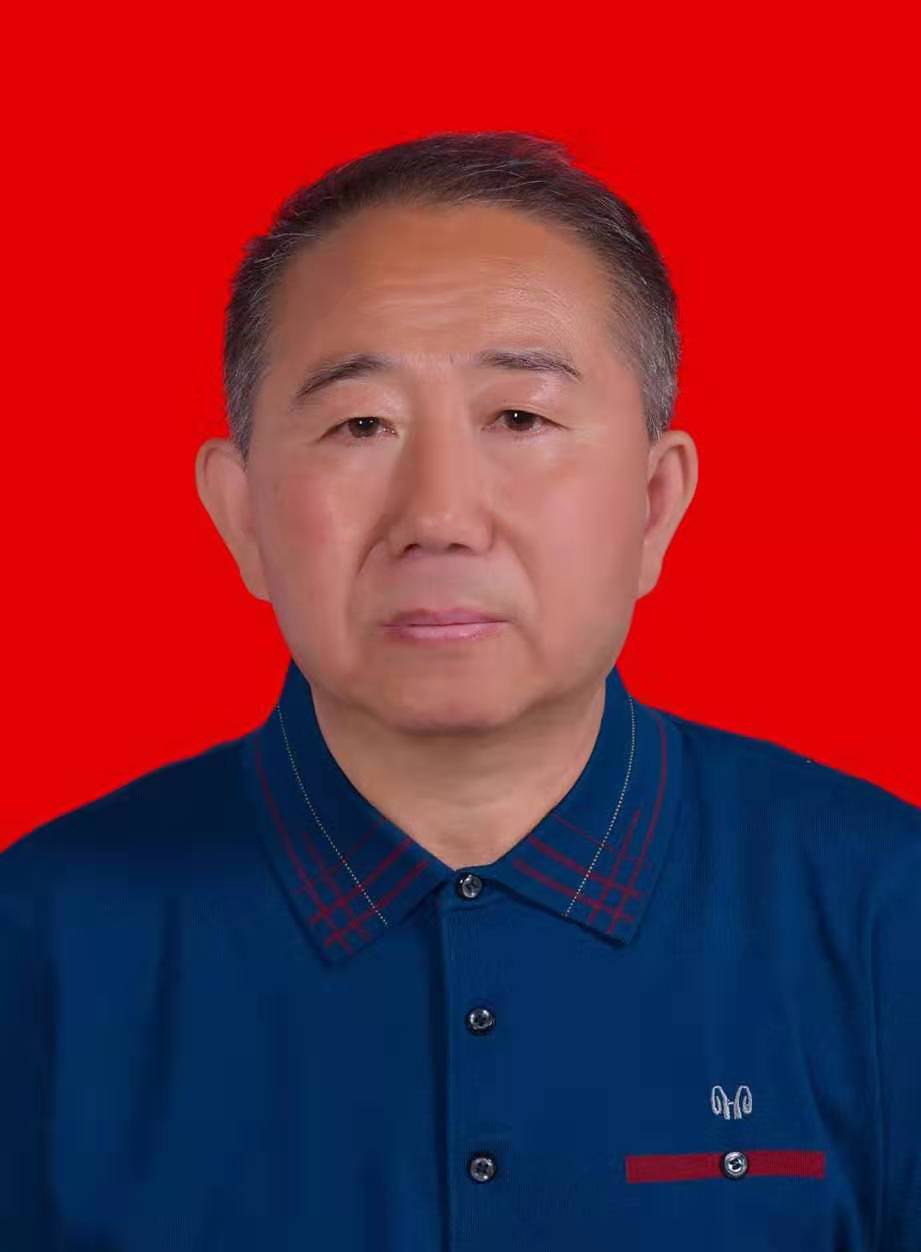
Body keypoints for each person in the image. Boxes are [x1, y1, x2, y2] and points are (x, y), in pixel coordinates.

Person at [2, 129, 918, 1251]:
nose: (437, 515)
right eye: (361, 425)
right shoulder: (37, 948)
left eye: (518, 418)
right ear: (240, 516)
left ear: (653, 504)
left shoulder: (884, 917)